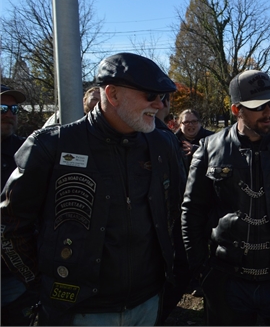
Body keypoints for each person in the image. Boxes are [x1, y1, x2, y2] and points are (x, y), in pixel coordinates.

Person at [0, 52, 186, 326]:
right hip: (79, 311)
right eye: (150, 96)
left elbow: (177, 212)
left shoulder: (163, 145)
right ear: (112, 94)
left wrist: (176, 276)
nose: (160, 105)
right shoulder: (51, 146)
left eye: (163, 97)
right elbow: (10, 225)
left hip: (149, 302)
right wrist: (43, 284)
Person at [181, 70, 270, 326]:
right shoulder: (210, 149)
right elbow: (192, 211)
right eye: (258, 106)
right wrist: (201, 269)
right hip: (227, 279)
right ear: (237, 110)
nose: (269, 112)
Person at [1, 85, 38, 326]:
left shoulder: (28, 150)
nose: (10, 114)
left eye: (14, 108)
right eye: (2, 108)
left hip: (16, 269)